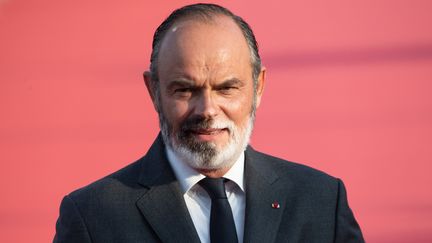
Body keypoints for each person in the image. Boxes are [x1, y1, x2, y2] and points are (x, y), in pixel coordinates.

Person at [54, 3, 364, 243]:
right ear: (154, 91)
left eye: (226, 88)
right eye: (185, 89)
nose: (207, 110)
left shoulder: (321, 201)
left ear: (258, 87)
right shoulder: (92, 216)